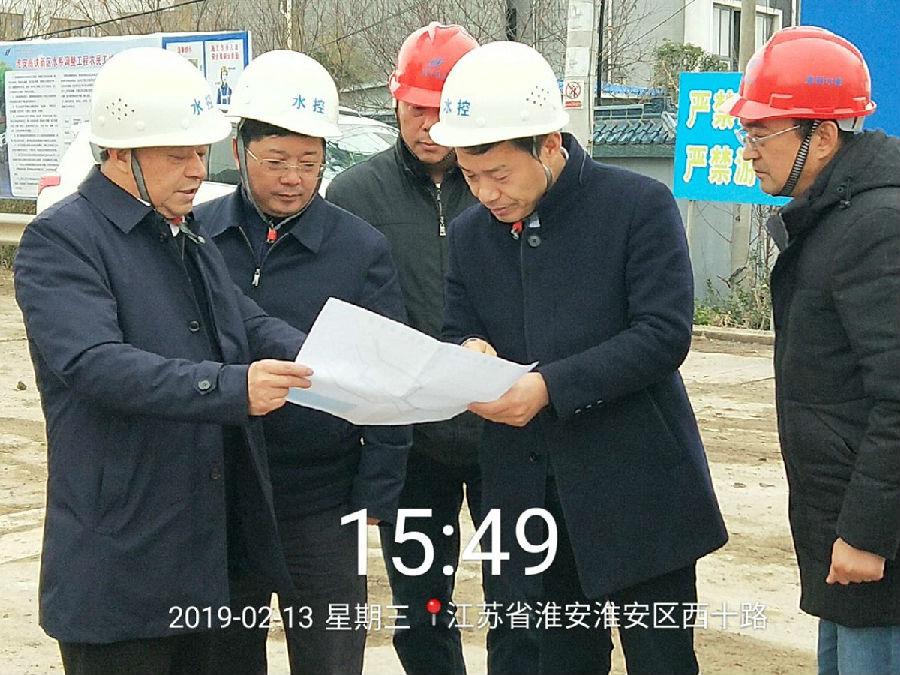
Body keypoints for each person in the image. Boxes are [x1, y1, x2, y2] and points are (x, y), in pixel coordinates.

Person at [430, 41, 729, 675]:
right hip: (529, 493)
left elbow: (662, 334)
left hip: (637, 483)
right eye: (470, 177)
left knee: (661, 658)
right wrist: (468, 352)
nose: (485, 193)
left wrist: (548, 387)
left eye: (499, 174)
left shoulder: (636, 206)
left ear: (548, 145)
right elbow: (458, 325)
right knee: (558, 659)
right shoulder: (472, 234)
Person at [13, 47, 313, 675]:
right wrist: (232, 389)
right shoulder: (62, 240)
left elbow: (243, 322)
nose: (197, 171)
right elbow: (95, 364)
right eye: (178, 156)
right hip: (124, 563)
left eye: (201, 153)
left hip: (214, 562)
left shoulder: (182, 231)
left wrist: (337, 359)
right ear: (120, 155)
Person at [193, 50, 411, 675]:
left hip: (321, 498)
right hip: (222, 492)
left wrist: (376, 488)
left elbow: (389, 376)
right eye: (277, 161)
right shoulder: (197, 235)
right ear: (240, 151)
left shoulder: (360, 249)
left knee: (329, 656)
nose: (293, 178)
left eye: (309, 163)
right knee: (222, 656)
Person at [327, 23, 535, 675]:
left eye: (442, 108)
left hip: (506, 432)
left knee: (519, 601)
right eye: (415, 106)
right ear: (396, 101)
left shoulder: (510, 185)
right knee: (422, 610)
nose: (427, 123)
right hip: (411, 441)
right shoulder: (356, 196)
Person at [721, 26, 899, 675]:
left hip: (878, 555)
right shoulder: (831, 216)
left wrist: (867, 534)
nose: (747, 151)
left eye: (760, 133)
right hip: (845, 539)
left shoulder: (877, 227)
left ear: (822, 135)